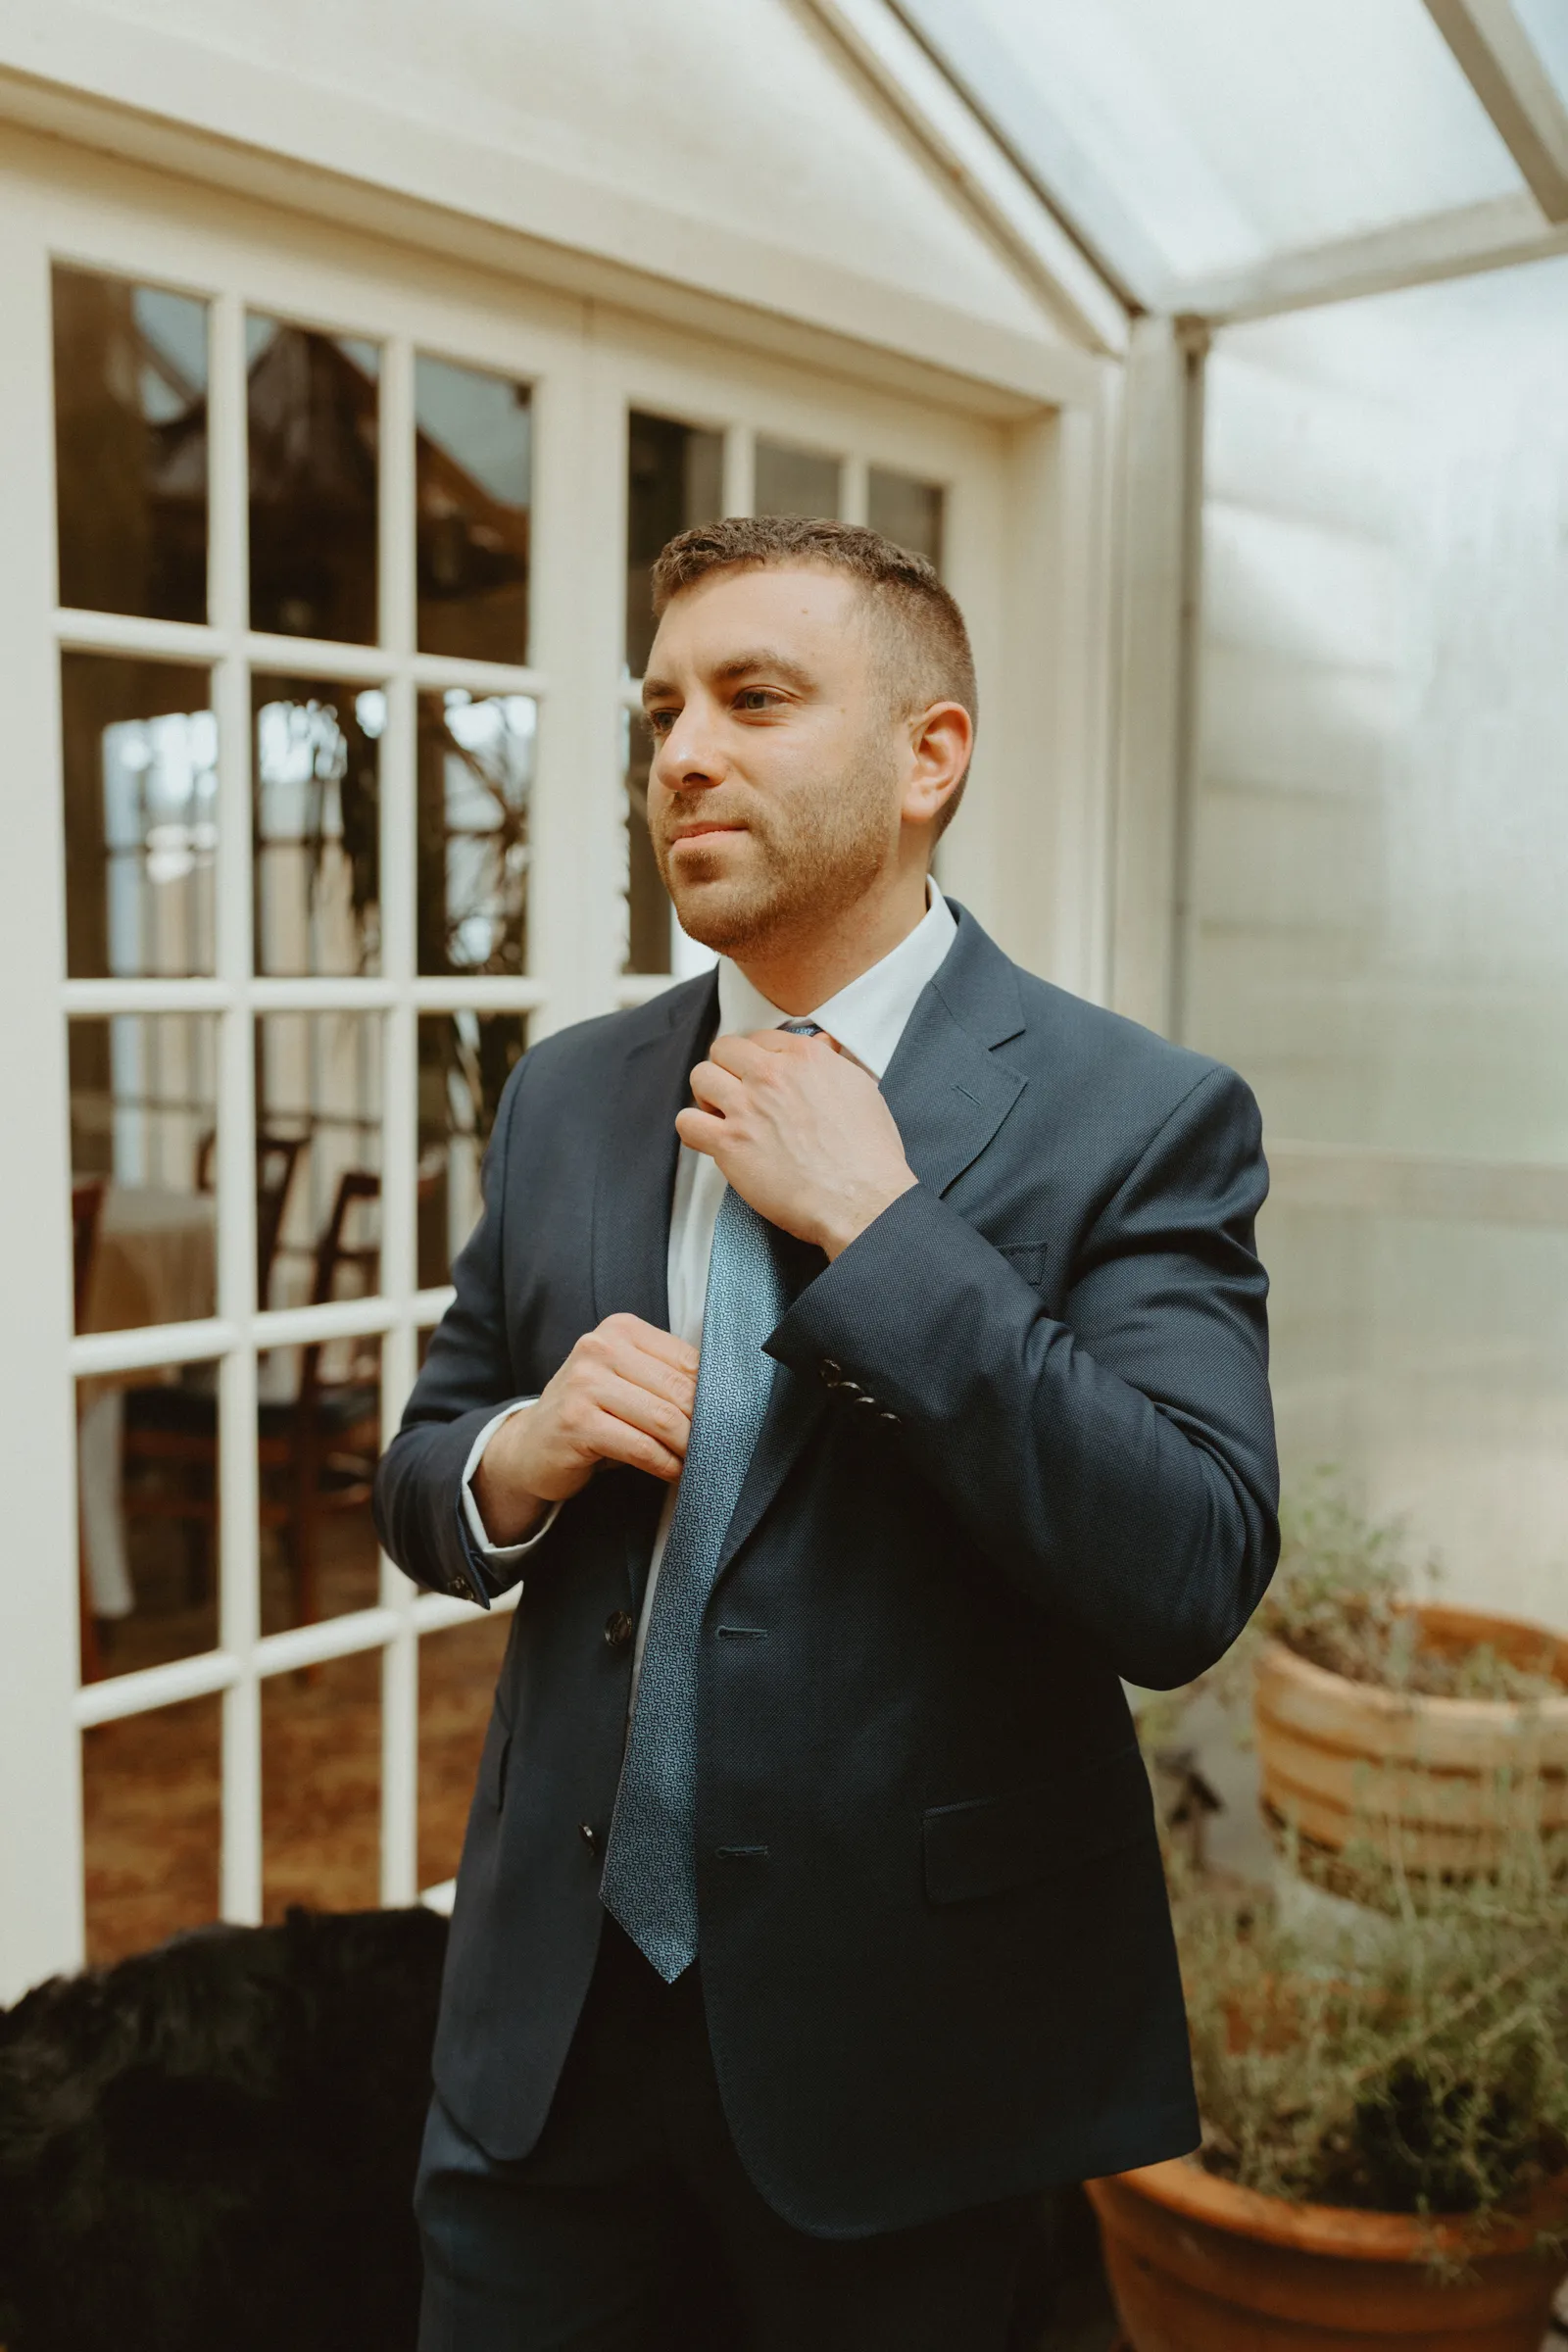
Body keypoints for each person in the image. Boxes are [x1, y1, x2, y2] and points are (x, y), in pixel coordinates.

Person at [374, 514, 1279, 2350]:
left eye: (754, 698)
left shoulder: (1142, 1115)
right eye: (661, 714)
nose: (683, 752)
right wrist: (518, 1457)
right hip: (544, 2052)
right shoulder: (568, 1094)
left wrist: (887, 1235)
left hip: (906, 2074)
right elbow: (424, 1466)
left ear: (928, 757)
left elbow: (1185, 1568)